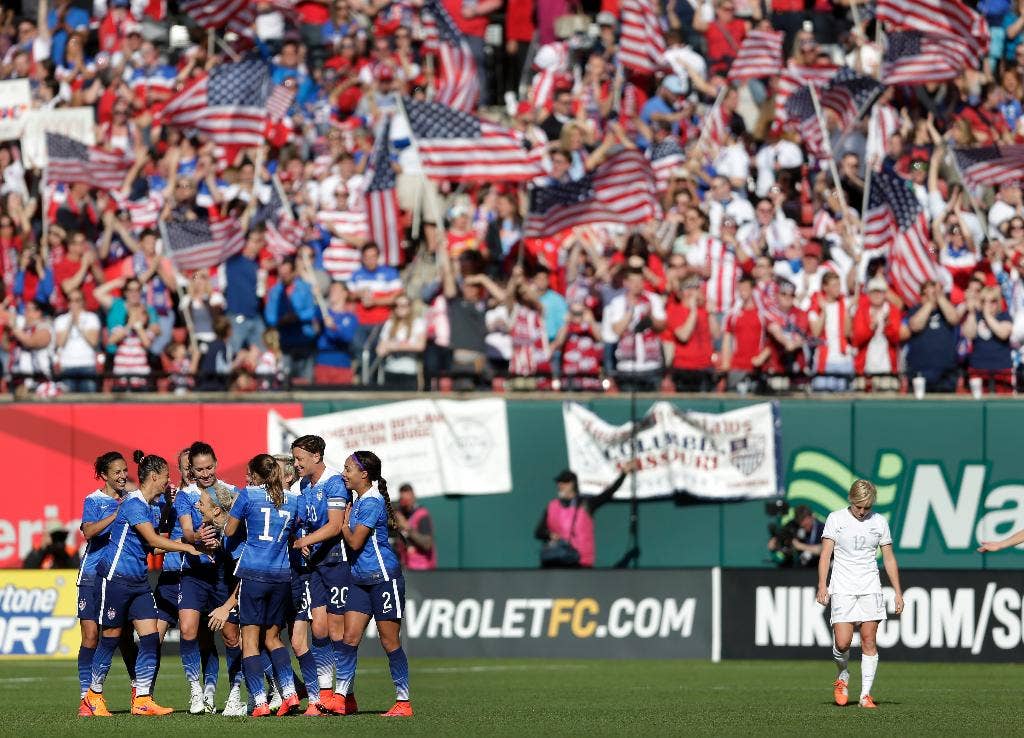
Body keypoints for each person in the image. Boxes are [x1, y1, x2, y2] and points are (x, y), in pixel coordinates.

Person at [80, 451, 201, 718]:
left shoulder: (148, 506)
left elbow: (150, 546)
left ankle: (143, 698)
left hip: (138, 582)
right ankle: (92, 696)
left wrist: (185, 546)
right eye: (167, 477)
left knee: (148, 638)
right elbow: (155, 541)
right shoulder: (133, 504)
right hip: (114, 579)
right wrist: (187, 547)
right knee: (110, 639)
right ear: (155, 477)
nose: (169, 482)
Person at [815, 479, 905, 710]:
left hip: (870, 587)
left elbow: (889, 558)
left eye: (867, 507)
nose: (863, 512)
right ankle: (843, 675)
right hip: (843, 587)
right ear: (850, 500)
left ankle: (865, 695)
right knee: (843, 642)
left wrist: (897, 592)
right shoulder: (836, 519)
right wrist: (822, 585)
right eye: (858, 507)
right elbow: (825, 555)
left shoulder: (879, 522)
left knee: (869, 640)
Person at [335, 450, 412, 718]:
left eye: (348, 469)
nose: (344, 473)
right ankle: (343, 698)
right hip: (360, 580)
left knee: (389, 641)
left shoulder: (371, 502)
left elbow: (355, 542)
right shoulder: (357, 501)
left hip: (383, 579)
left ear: (364, 474)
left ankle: (403, 702)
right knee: (349, 639)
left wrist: (343, 524)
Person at [224, 454, 302, 717]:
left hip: (253, 575)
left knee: (250, 642)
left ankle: (259, 703)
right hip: (281, 577)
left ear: (256, 475)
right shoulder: (294, 500)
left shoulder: (248, 494)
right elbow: (295, 530)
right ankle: (290, 694)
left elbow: (229, 531)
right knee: (273, 637)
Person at [290, 434, 355, 716]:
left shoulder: (335, 483)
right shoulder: (304, 484)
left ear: (316, 457)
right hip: (316, 564)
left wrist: (304, 542)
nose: (295, 464)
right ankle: (324, 694)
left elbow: (334, 525)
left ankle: (346, 695)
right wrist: (304, 536)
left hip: (337, 563)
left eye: (299, 459)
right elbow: (305, 521)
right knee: (318, 629)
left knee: (338, 631)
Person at [75, 452, 137, 712]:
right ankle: (87, 699)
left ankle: (140, 693)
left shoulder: (133, 501)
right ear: (104, 476)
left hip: (117, 577)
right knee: (90, 637)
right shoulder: (94, 500)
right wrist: (116, 514)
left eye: (125, 470)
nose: (123, 475)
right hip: (91, 576)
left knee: (123, 637)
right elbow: (88, 532)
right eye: (117, 472)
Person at [534, 463, 635, 568]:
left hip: (581, 563)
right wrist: (550, 535)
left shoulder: (586, 503)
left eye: (564, 483)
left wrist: (623, 474)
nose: (560, 486)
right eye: (559, 483)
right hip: (556, 561)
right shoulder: (552, 506)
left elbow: (608, 493)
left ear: (572, 484)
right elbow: (538, 532)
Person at [394, 484, 436, 571]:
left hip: (423, 568)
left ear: (413, 497)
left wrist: (407, 528)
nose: (405, 503)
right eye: (403, 500)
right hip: (406, 567)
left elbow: (427, 544)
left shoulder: (422, 515)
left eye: (407, 500)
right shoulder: (399, 514)